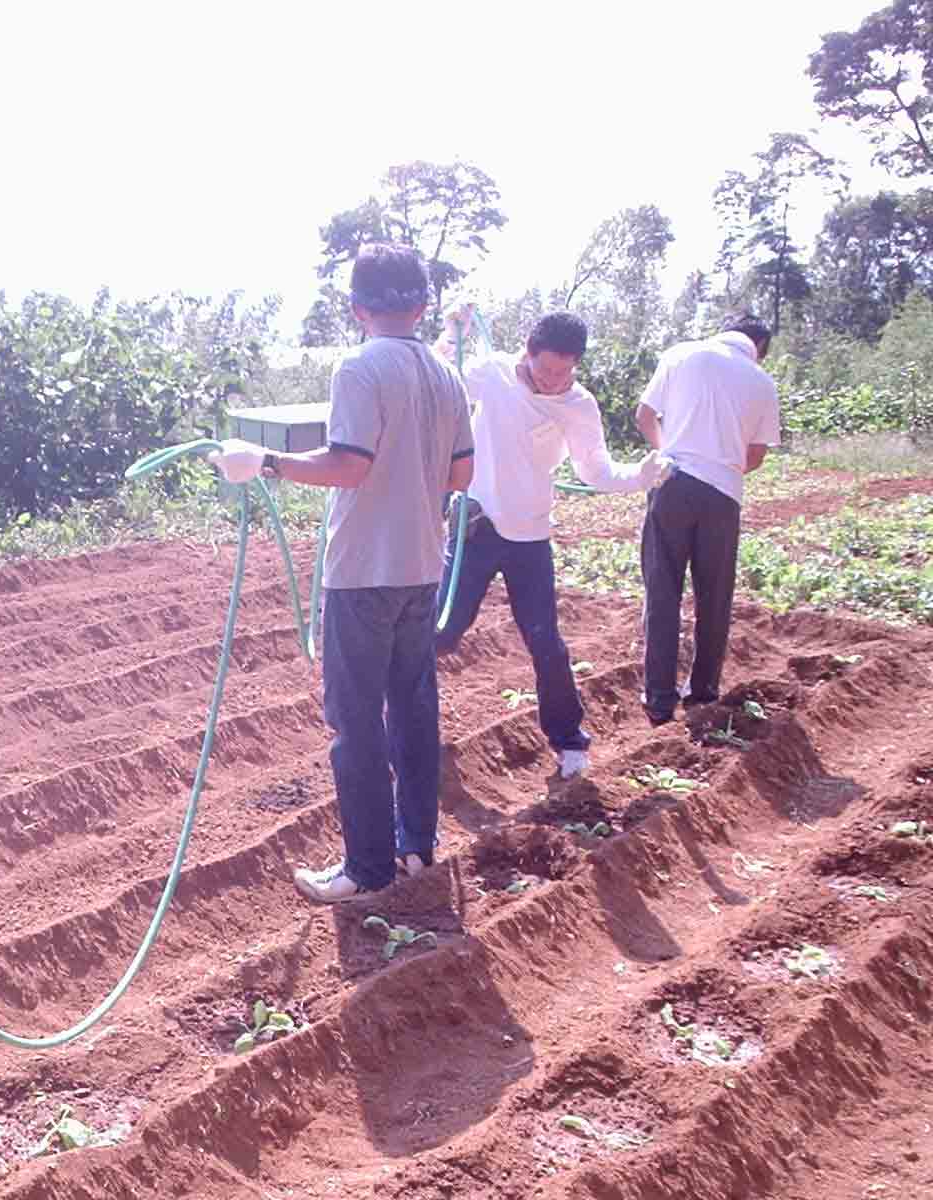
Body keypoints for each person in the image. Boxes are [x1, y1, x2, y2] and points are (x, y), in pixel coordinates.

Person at [210, 244, 474, 902]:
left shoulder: (360, 368)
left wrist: (265, 462)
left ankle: (366, 869)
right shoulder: (446, 375)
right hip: (421, 567)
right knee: (413, 712)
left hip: (363, 572)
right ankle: (416, 847)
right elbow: (462, 475)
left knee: (355, 721)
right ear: (423, 304)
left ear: (356, 308)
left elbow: (348, 465)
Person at [431, 308, 669, 778]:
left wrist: (640, 476)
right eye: (547, 370)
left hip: (529, 537)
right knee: (440, 630)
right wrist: (451, 331)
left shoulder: (579, 405)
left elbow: (595, 471)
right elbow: (437, 380)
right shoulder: (493, 374)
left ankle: (568, 740)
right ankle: (405, 718)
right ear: (528, 352)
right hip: (475, 527)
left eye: (566, 372)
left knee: (546, 642)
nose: (555, 381)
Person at [634, 314, 780, 725]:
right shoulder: (760, 381)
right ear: (759, 348)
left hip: (672, 484)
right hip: (723, 497)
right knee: (714, 598)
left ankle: (659, 698)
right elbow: (754, 456)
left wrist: (669, 455)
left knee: (662, 591)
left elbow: (645, 415)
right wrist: (720, 466)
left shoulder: (681, 354)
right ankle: (702, 694)